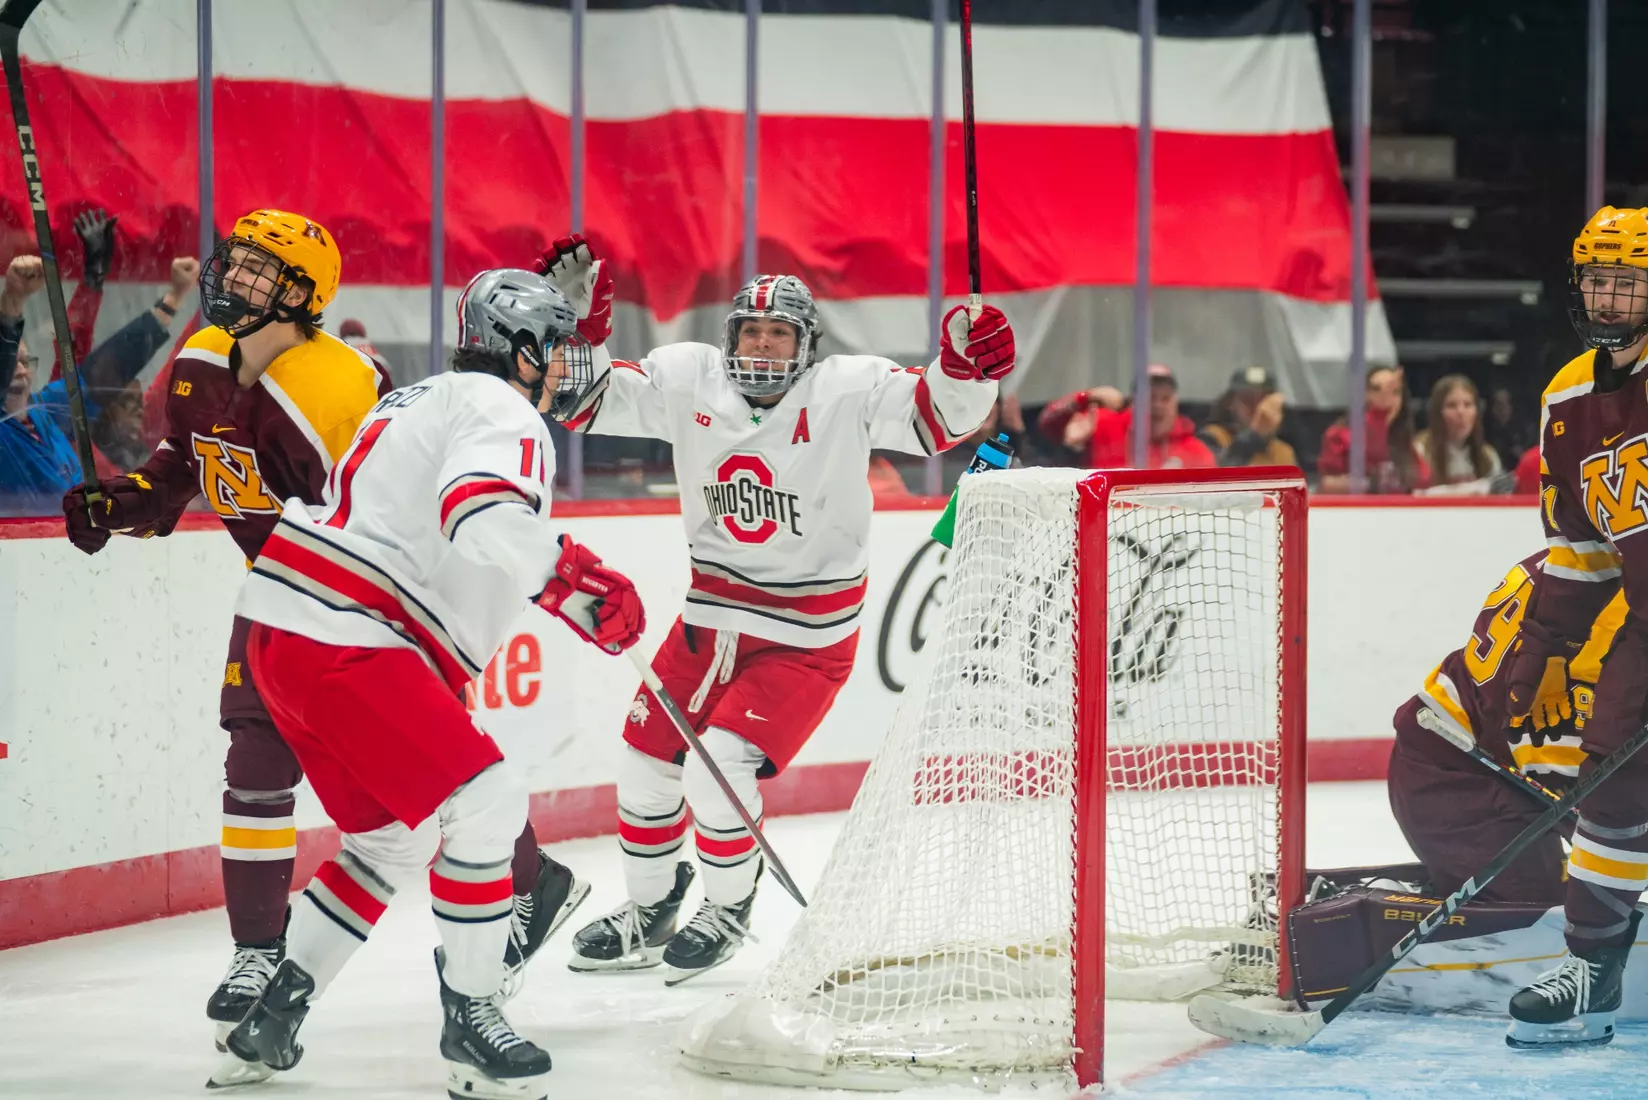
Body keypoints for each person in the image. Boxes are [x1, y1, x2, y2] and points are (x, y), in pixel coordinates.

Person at [56, 211, 581, 1053]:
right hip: (284, 592)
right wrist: (119, 504)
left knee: (437, 781)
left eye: (260, 272)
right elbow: (184, 471)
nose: (232, 279)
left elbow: (392, 507)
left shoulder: (332, 388)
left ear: (304, 296)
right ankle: (260, 955)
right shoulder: (198, 366)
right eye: (235, 263)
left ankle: (526, 879)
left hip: (371, 605)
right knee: (258, 761)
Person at [210, 268, 644, 1096]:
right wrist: (576, 584)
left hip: (285, 636)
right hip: (352, 637)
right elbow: (477, 512)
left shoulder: (418, 398)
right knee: (486, 804)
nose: (558, 368)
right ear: (519, 347)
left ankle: (274, 1011)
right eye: (552, 348)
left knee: (391, 840)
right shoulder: (502, 408)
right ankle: (472, 1023)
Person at [535, 235, 1012, 980]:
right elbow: (581, 403)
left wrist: (965, 367)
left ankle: (727, 905)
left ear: (805, 345)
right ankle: (651, 907)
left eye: (779, 332)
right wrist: (580, 335)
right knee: (642, 765)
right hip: (707, 623)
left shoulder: (846, 389)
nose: (761, 344)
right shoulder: (690, 379)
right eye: (750, 331)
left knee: (715, 773)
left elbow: (937, 421)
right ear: (730, 338)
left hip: (804, 637)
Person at [1500, 205, 1648, 1047]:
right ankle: (1592, 968)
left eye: (1623, 280)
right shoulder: (1567, 395)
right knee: (1611, 784)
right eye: (1595, 278)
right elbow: (1582, 548)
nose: (1605, 295)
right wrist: (1546, 649)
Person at [1389, 552, 1613, 908]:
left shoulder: (1579, 557)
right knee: (1549, 919)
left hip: (1481, 757)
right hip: (1456, 776)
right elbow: (1574, 791)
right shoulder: (1611, 621)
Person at [0, 253, 199, 512]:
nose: (20, 370)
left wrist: (174, 297)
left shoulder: (46, 409)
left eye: (26, 362)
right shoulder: (3, 428)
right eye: (11, 362)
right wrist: (13, 300)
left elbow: (103, 372)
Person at [1035, 364, 1215, 469]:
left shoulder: (1196, 452)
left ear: (1176, 402)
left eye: (1165, 398)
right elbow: (1047, 422)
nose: (1158, 405)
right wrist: (1086, 397)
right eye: (1150, 397)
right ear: (1134, 401)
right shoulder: (1103, 424)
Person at [1315, 365, 1429, 494]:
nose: (1387, 398)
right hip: (1354, 511)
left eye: (1395, 392)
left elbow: (1424, 480)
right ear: (1364, 394)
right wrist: (1371, 483)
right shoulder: (1340, 435)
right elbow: (1327, 484)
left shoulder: (1402, 436)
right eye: (1377, 389)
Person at [1414, 374, 1510, 496]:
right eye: (1451, 406)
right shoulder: (1419, 450)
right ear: (1437, 413)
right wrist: (1477, 489)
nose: (1461, 412)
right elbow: (1416, 496)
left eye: (1468, 404)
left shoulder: (1488, 456)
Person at [1196, 365, 1297, 468]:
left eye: (1264, 401)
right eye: (1247, 400)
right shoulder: (1212, 439)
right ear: (1230, 403)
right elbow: (1215, 478)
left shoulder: (1283, 452)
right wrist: (1253, 437)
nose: (1258, 409)